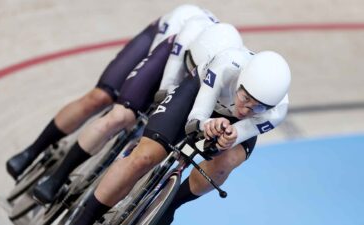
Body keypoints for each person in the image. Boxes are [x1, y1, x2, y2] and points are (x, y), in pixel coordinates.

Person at [65, 11, 290, 225]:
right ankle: (84, 218)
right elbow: (198, 115)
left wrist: (229, 136)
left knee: (227, 161)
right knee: (144, 157)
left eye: (258, 107)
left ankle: (170, 205)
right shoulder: (226, 64)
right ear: (240, 81)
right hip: (198, 94)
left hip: (231, 123)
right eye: (245, 98)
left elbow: (243, 130)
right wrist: (205, 125)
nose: (247, 109)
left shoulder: (277, 110)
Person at [25, 5, 222, 204]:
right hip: (162, 53)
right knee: (111, 108)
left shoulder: (218, 72)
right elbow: (159, 76)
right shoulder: (185, 36)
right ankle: (45, 164)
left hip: (190, 80)